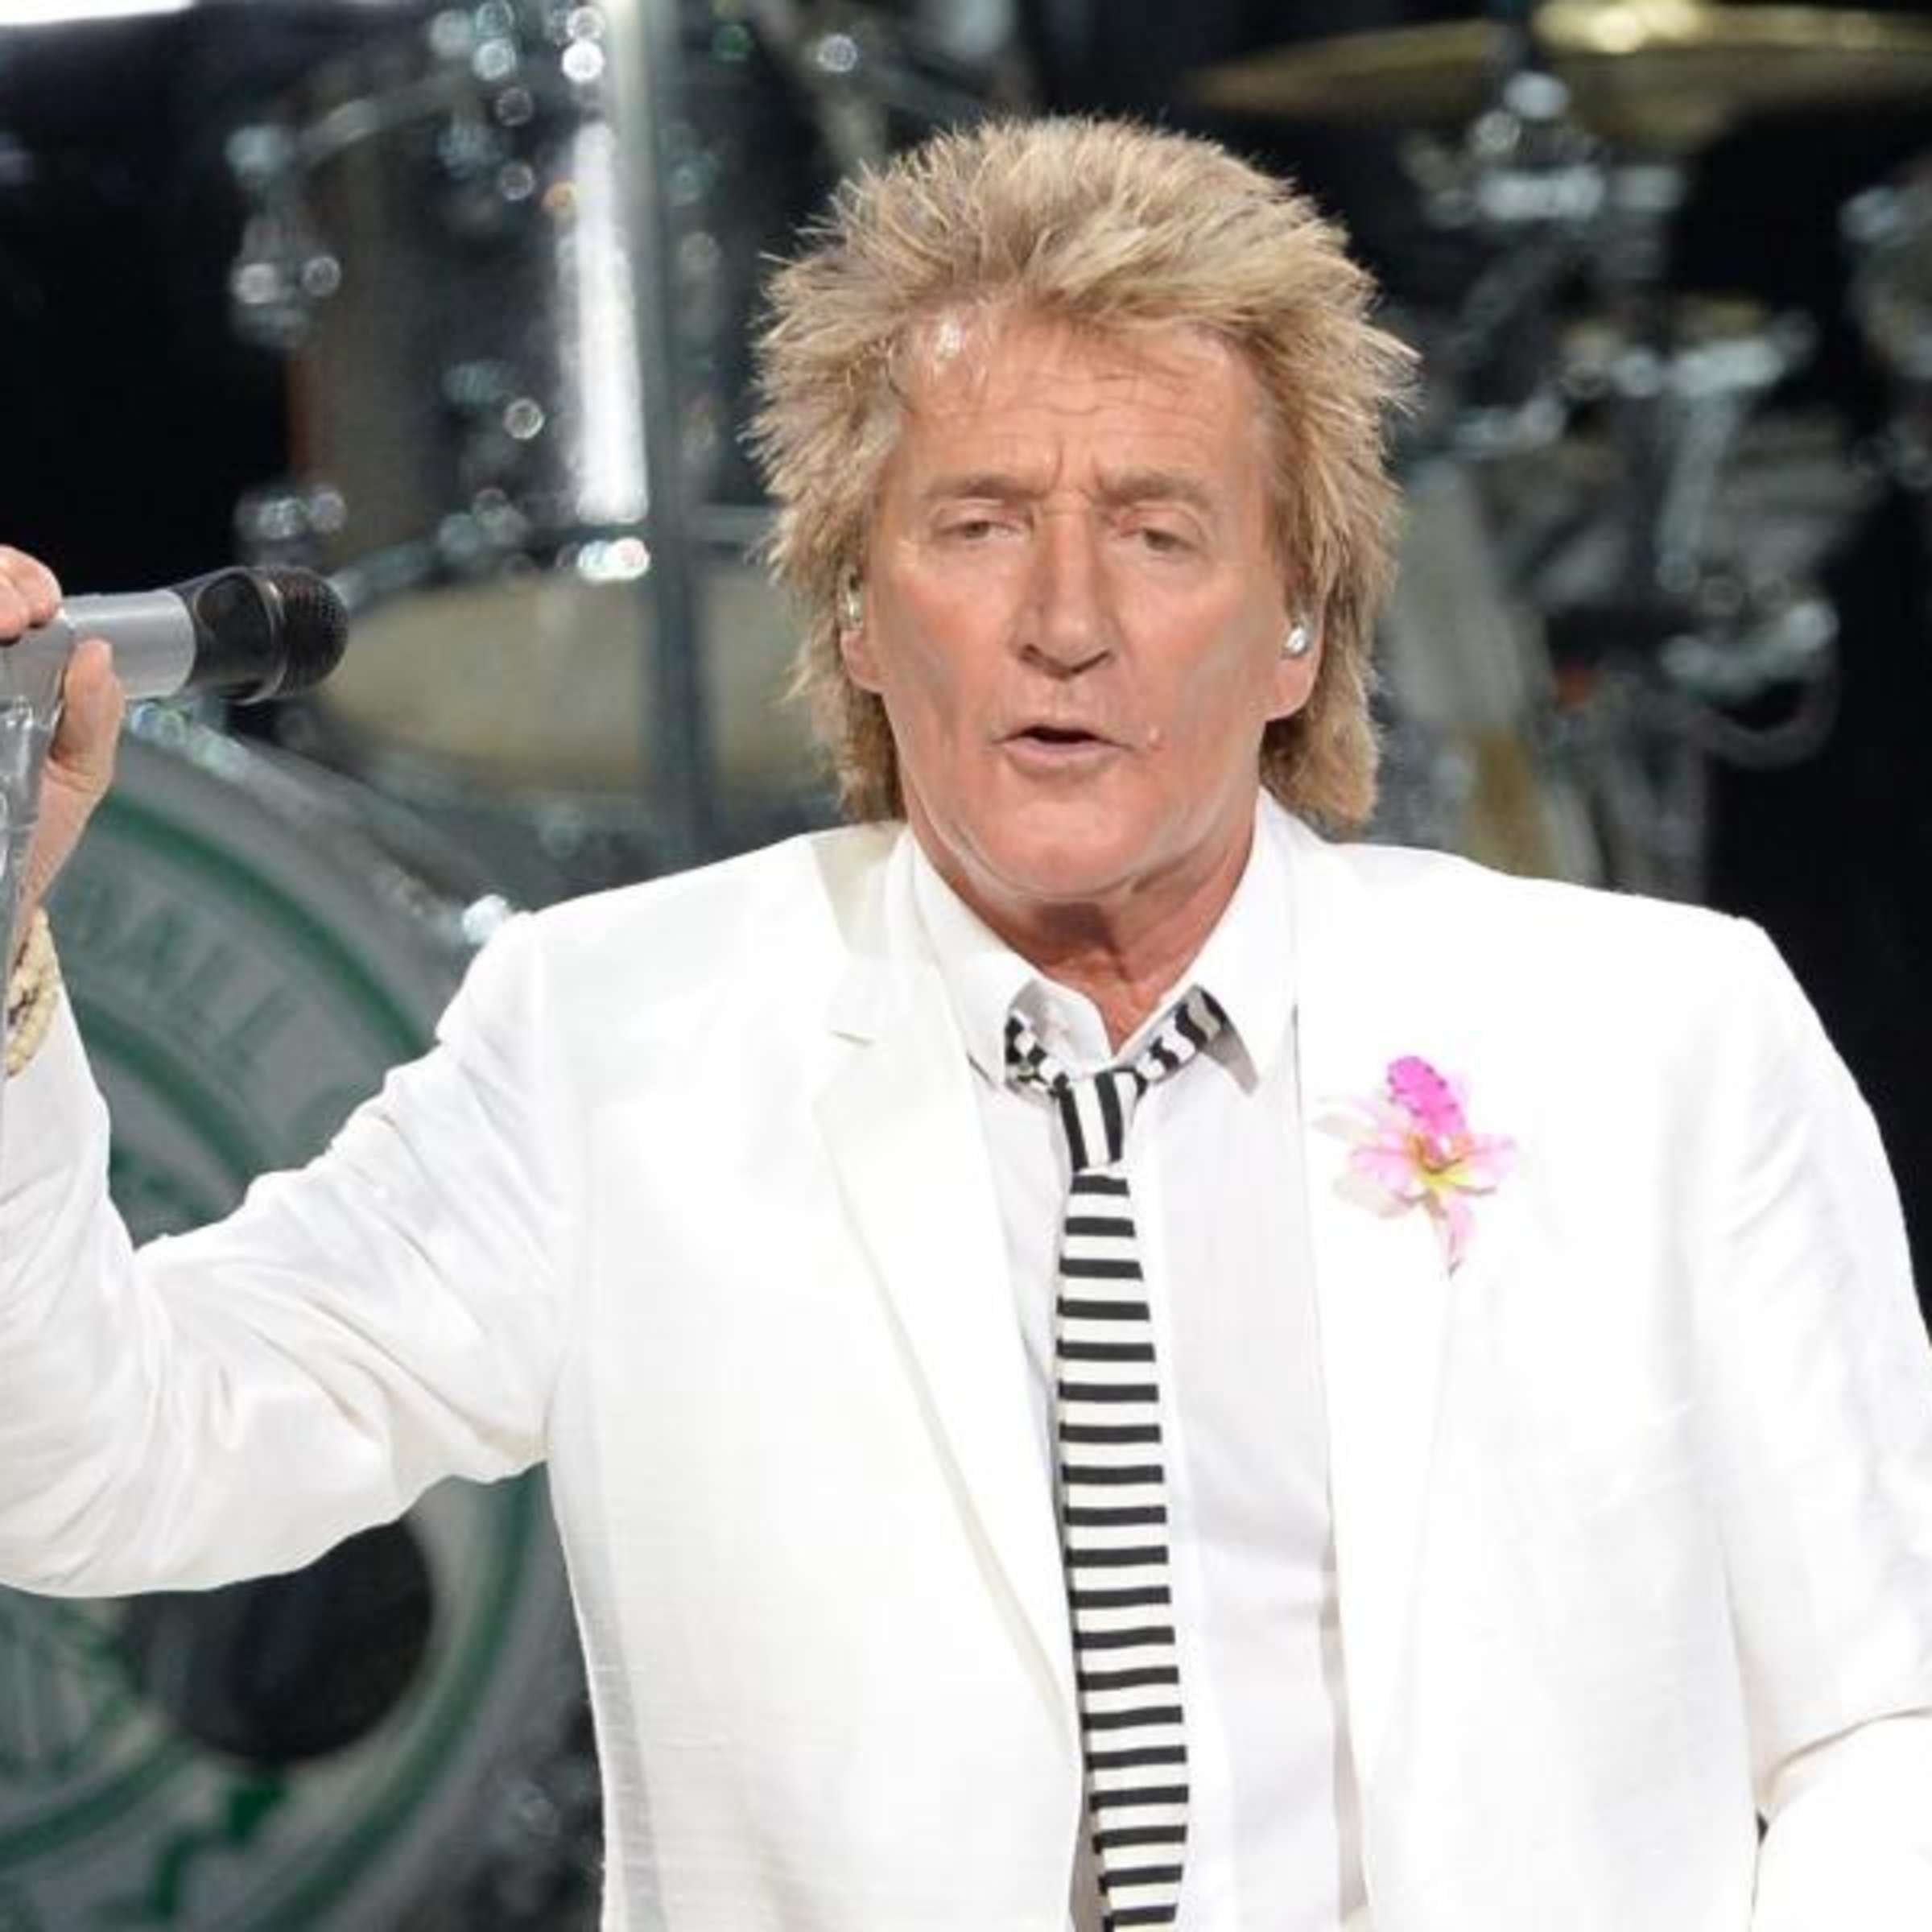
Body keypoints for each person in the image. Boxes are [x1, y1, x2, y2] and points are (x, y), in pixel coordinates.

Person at [3, 115, 1931, 1932]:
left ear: (1298, 626)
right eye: (981, 524)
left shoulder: (1658, 1040)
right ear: (855, 611)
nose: (1065, 618)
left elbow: (1884, 1717)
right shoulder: (616, 1041)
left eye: (1160, 533)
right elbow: (104, 1469)